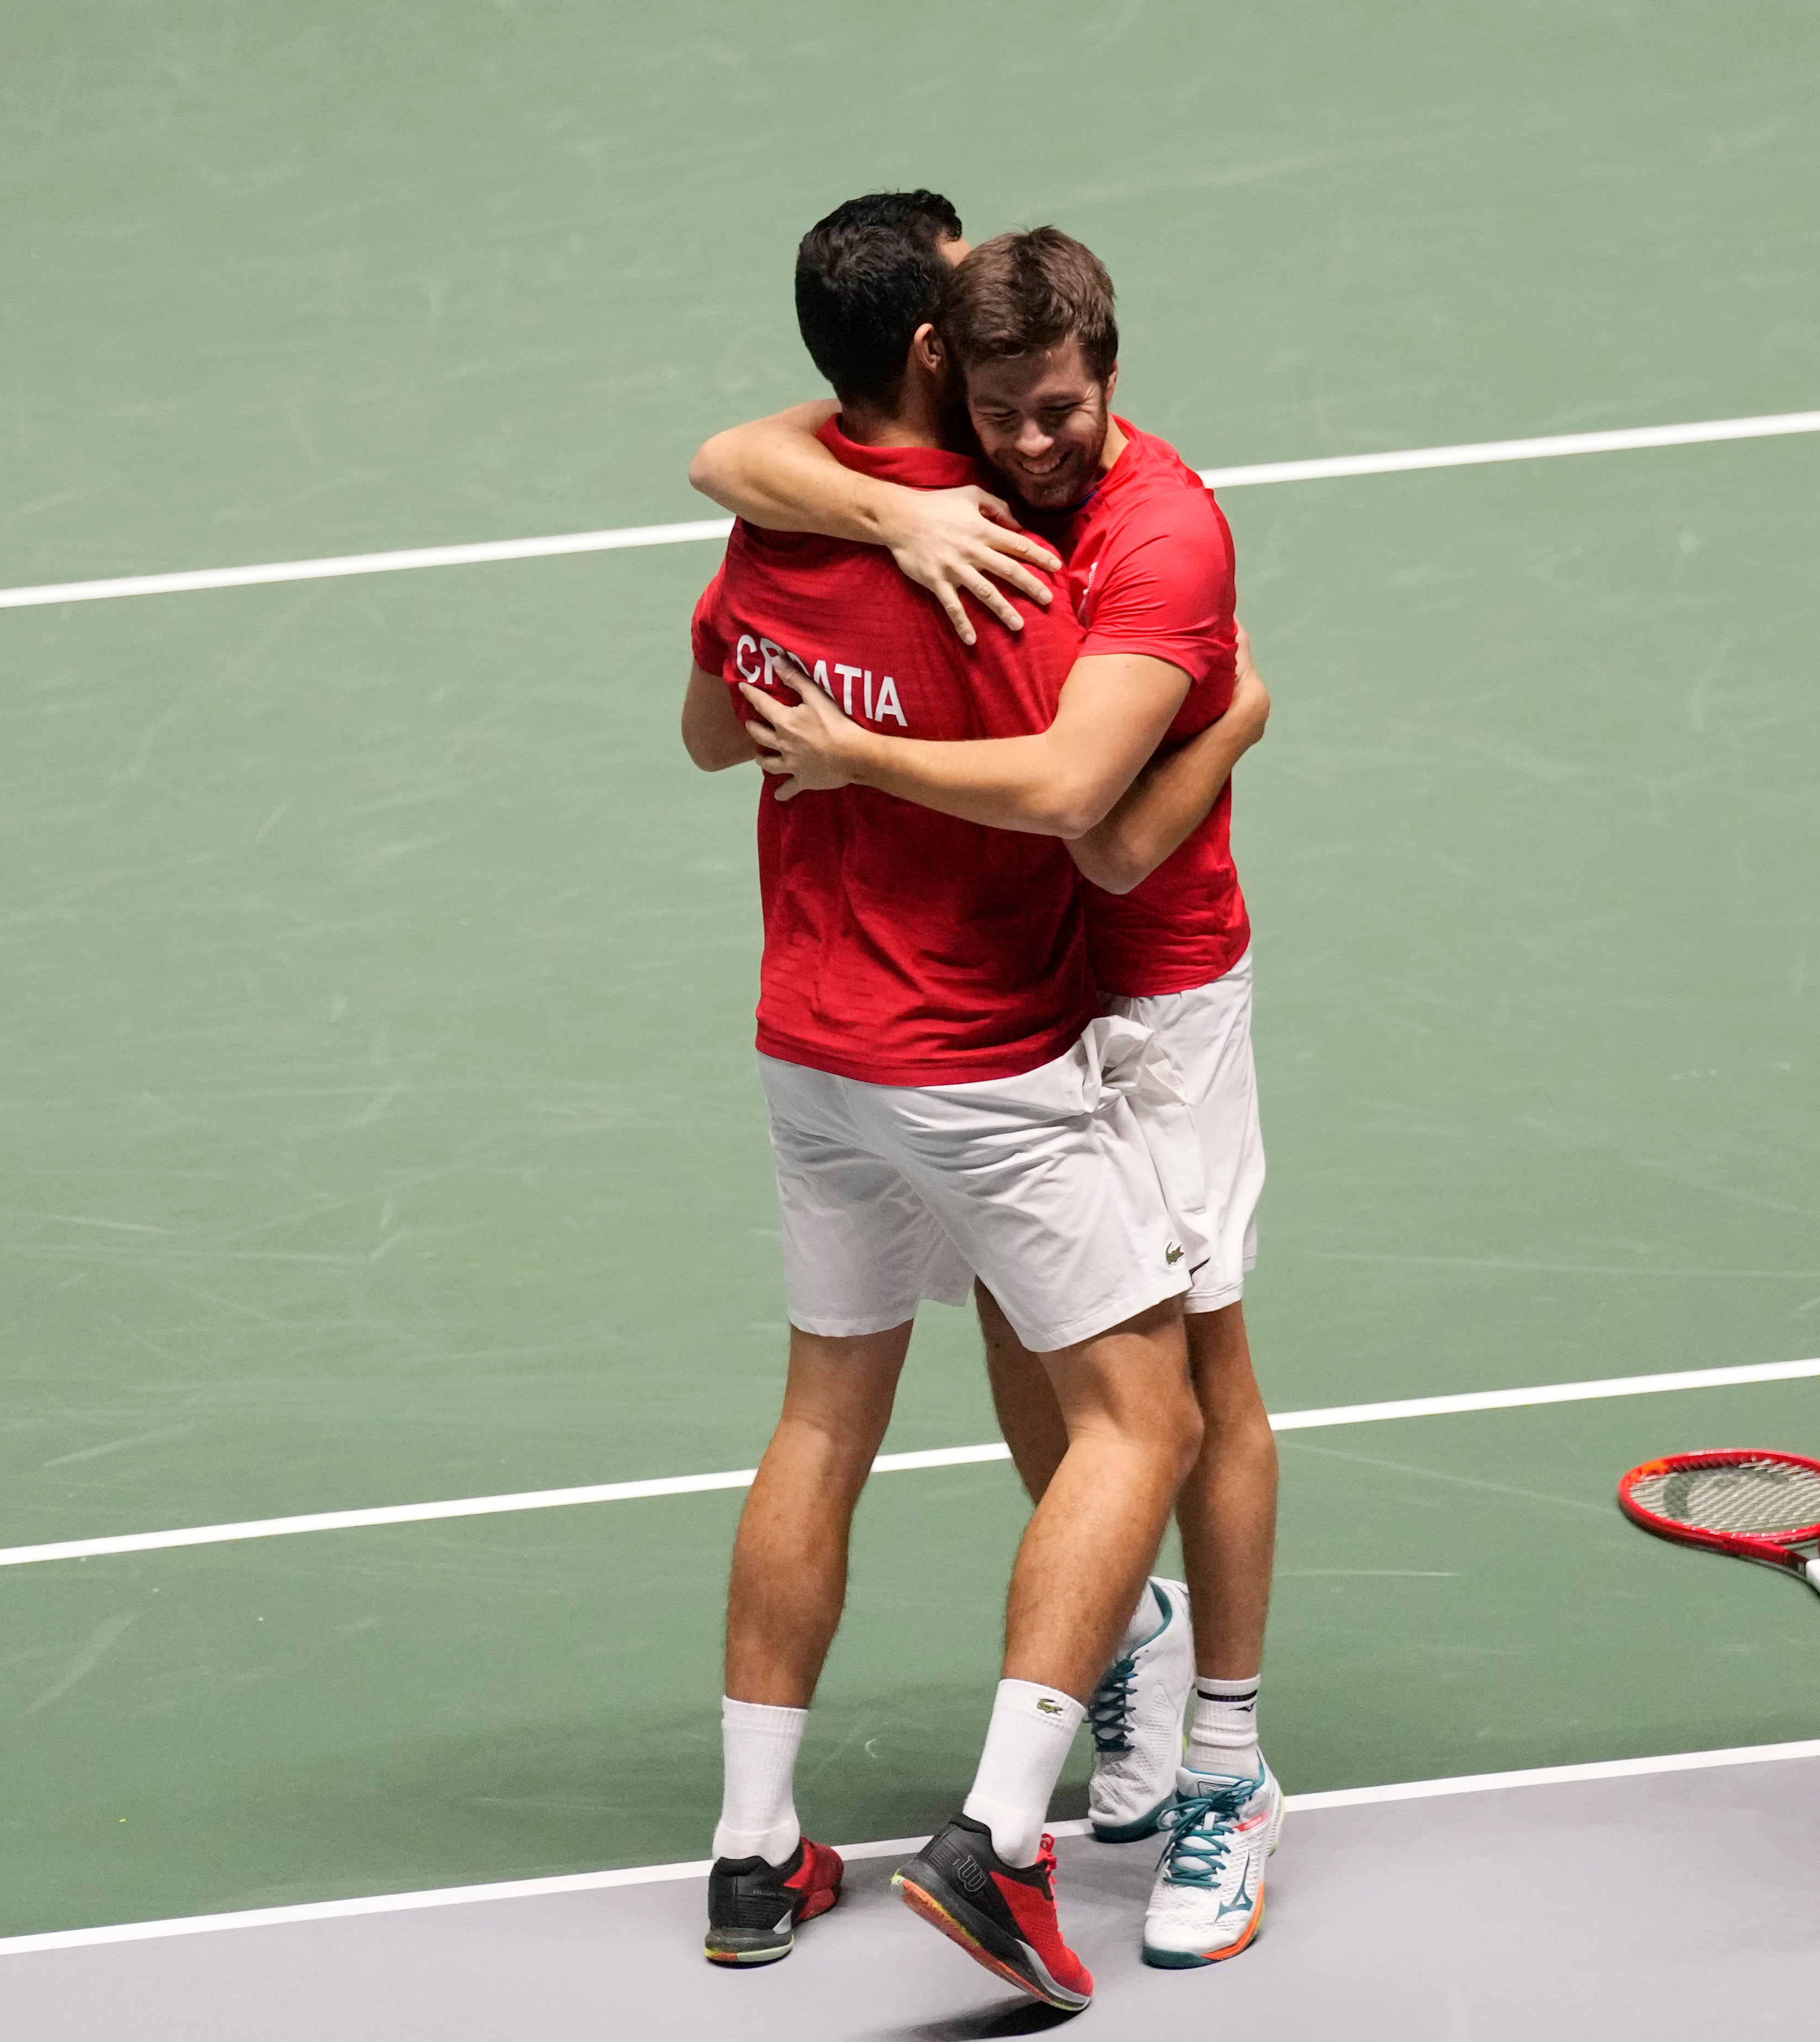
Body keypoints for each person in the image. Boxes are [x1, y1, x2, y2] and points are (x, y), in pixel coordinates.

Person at [681, 193, 1243, 2012]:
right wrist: (1232, 723)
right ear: (941, 349)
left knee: (826, 1416)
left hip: (806, 1045)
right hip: (980, 1056)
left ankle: (753, 1852)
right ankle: (1003, 1842)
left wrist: (823, 722)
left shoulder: (776, 523)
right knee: (1142, 1422)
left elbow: (707, 734)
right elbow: (1087, 803)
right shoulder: (1002, 555)